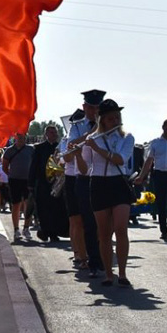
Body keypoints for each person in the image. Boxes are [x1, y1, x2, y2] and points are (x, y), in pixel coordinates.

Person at [75, 99, 136, 287]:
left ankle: (123, 273)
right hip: (99, 184)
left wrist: (97, 148)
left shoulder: (127, 138)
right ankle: (109, 274)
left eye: (117, 117)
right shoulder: (92, 138)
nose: (115, 121)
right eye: (110, 118)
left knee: (120, 228)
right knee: (104, 233)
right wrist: (76, 153)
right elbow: (84, 169)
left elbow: (120, 160)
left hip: (118, 183)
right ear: (102, 120)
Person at [64, 89, 105, 277]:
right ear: (85, 107)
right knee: (79, 220)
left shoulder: (107, 126)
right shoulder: (77, 127)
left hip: (98, 176)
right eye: (91, 107)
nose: (94, 111)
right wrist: (91, 134)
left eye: (97, 108)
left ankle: (97, 255)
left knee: (98, 220)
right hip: (76, 176)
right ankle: (82, 256)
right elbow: (70, 149)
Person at [135, 119, 167, 240]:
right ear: (163, 127)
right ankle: (164, 230)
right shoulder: (155, 143)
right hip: (159, 174)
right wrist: (141, 176)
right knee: (161, 202)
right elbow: (149, 161)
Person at [59, 109, 88, 269]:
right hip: (71, 177)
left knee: (86, 220)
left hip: (87, 176)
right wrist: (85, 138)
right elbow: (67, 158)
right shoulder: (66, 139)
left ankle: (87, 250)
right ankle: (77, 252)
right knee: (75, 220)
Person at [28, 125, 68, 242]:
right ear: (46, 134)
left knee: (57, 208)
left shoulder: (60, 148)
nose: (54, 134)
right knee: (43, 208)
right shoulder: (39, 148)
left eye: (55, 132)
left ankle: (55, 232)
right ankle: (46, 231)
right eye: (51, 132)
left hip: (57, 184)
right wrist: (31, 183)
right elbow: (34, 166)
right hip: (43, 183)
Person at [2, 131, 35, 241]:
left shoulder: (31, 149)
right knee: (16, 204)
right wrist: (11, 175)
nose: (21, 139)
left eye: (23, 137)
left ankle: (26, 228)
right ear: (15, 138)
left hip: (28, 180)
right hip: (14, 180)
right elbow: (5, 166)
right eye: (19, 137)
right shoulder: (9, 151)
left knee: (28, 204)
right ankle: (16, 229)